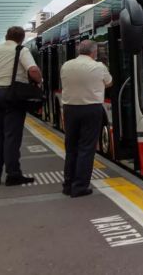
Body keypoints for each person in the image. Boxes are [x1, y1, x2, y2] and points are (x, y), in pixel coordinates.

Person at [0, 26, 42, 186]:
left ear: (6, 36)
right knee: (11, 136)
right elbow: (32, 70)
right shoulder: (21, 50)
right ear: (22, 38)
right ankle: (13, 175)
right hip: (11, 96)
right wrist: (39, 80)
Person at [60, 40, 112, 198]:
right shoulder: (99, 67)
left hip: (70, 109)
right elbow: (109, 83)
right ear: (94, 52)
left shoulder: (66, 65)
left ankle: (68, 184)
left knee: (71, 147)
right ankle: (80, 186)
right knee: (86, 148)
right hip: (91, 109)